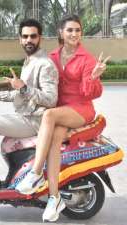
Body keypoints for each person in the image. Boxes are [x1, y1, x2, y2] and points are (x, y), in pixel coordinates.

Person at [15, 15, 109, 222]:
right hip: (61, 109)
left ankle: (35, 172)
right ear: (61, 32)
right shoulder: (53, 56)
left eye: (77, 30)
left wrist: (94, 76)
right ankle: (54, 198)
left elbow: (89, 94)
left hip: (81, 109)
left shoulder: (87, 59)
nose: (74, 34)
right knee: (55, 139)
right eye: (70, 30)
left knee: (49, 115)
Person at [0, 19, 59, 192]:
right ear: (20, 39)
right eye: (25, 36)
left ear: (40, 38)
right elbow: (20, 95)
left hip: (35, 120)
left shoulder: (44, 64)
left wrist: (24, 87)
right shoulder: (29, 61)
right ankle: (15, 176)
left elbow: (50, 99)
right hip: (26, 116)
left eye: (33, 36)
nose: (29, 40)